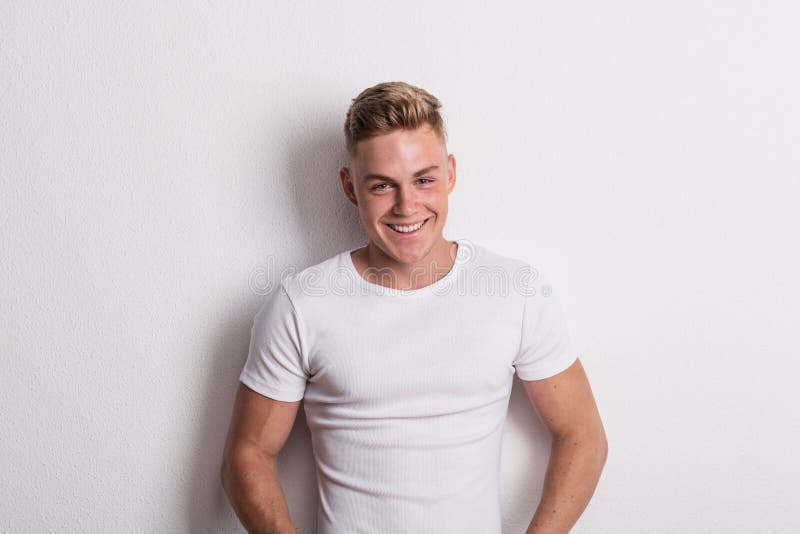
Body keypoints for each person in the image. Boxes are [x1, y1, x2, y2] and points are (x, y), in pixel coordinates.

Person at [220, 81, 608, 534]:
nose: (408, 207)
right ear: (350, 187)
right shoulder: (301, 306)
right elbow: (246, 456)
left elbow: (583, 436)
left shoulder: (514, 292)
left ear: (451, 174)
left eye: (424, 180)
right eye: (383, 186)